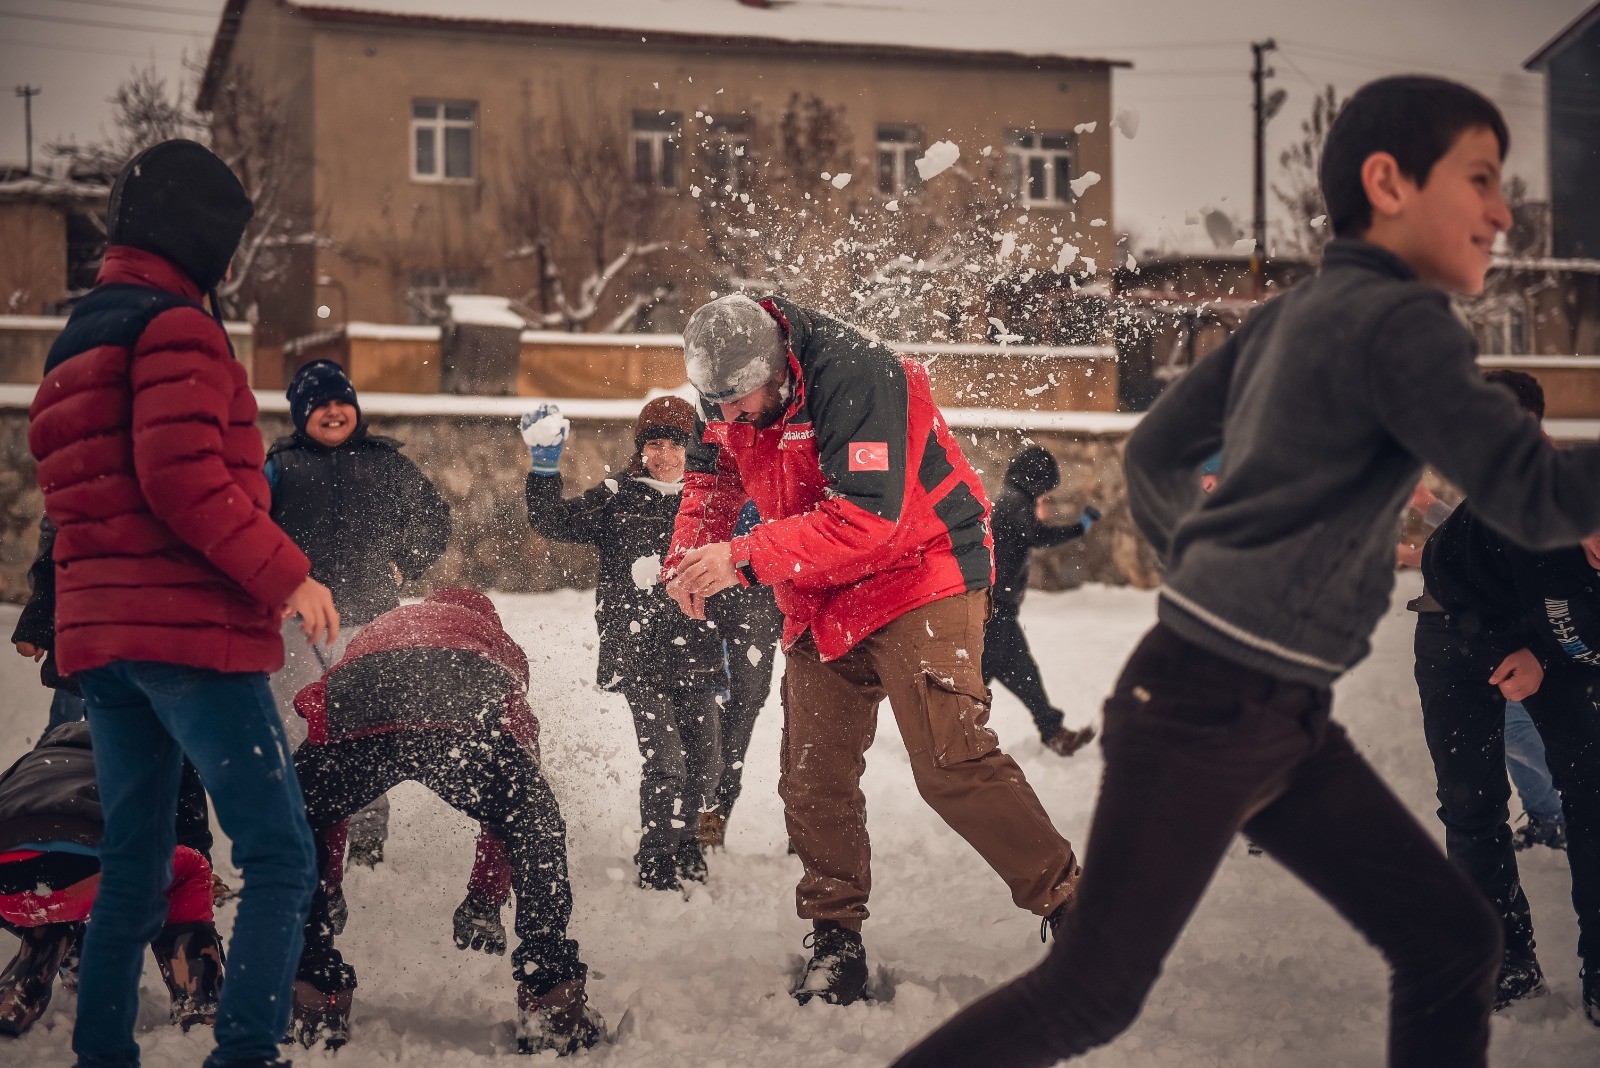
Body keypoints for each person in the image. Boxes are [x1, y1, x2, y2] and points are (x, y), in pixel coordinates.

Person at [892, 76, 1600, 1068]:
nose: (1502, 211)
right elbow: (1530, 491)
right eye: (1480, 178)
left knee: (1449, 942)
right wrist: (1230, 596)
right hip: (1217, 707)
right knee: (1091, 993)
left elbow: (1154, 454)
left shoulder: (1293, 313)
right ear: (1388, 183)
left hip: (1260, 709)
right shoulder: (1405, 322)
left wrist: (1217, 577)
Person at [664, 292, 1082, 1007]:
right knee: (812, 774)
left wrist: (741, 557)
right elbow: (711, 480)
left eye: (738, 400)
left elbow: (866, 517)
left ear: (779, 368)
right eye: (716, 403)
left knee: (950, 759)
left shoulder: (856, 372)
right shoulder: (726, 392)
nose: (725, 416)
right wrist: (689, 557)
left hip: (921, 570)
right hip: (821, 586)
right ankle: (835, 939)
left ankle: (1075, 908)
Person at [27, 138, 335, 1068]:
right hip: (190, 638)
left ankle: (103, 1055)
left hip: (106, 647)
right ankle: (245, 1053)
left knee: (133, 865)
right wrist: (288, 574)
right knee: (280, 855)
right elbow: (183, 482)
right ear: (200, 238)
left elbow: (81, 496)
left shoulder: (76, 340)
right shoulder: (176, 330)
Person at [287, 588, 602, 1055]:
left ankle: (311, 990)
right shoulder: (494, 644)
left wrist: (326, 886)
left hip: (363, 707)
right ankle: (551, 995)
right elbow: (514, 809)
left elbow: (325, 810)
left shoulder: (380, 630)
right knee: (536, 822)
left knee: (299, 817)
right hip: (461, 715)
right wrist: (485, 898)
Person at [1415, 371, 1600, 1019]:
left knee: (1592, 788)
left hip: (1552, 637)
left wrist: (1544, 656)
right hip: (1456, 627)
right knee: (1472, 804)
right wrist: (1510, 652)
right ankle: (1504, 968)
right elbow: (1444, 571)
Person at [523, 396, 726, 892]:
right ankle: (657, 861)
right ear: (641, 450)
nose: (665, 456)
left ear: (693, 448)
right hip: (639, 654)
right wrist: (544, 468)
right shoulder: (618, 497)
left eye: (676, 445)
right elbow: (551, 521)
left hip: (699, 651)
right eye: (654, 445)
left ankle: (688, 845)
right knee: (667, 763)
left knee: (707, 764)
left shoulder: (710, 500)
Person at [266, 358, 452, 867]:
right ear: (300, 413)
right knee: (297, 728)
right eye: (320, 405)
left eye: (341, 402)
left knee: (364, 728)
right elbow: (251, 530)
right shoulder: (279, 466)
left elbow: (434, 518)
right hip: (296, 626)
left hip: (369, 620)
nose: (333, 412)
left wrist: (405, 562)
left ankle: (367, 837)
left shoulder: (384, 462)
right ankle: (300, 835)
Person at [0, 723, 223, 1038]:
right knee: (189, 867)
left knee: (49, 885)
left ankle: (22, 988)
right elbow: (183, 832)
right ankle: (199, 1001)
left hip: (8, 885)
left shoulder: (32, 763)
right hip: (84, 870)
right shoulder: (144, 756)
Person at [1402, 463, 1568, 854]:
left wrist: (1409, 550)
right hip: (1489, 630)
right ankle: (1548, 816)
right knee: (1510, 735)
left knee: (1519, 733)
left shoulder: (1537, 500)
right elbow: (1466, 532)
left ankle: (1571, 800)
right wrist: (1425, 503)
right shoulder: (1495, 500)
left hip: (1515, 630)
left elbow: (1466, 547)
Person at [986, 445, 1101, 755]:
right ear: (1035, 478)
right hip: (996, 609)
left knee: (1021, 673)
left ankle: (1052, 731)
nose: (1044, 498)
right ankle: (946, 738)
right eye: (1045, 490)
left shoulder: (1012, 498)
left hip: (999, 608)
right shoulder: (1014, 501)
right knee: (981, 680)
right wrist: (1078, 528)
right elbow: (1037, 535)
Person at [698, 500, 786, 850]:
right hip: (712, 566)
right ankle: (698, 817)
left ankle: (713, 816)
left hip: (770, 572)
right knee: (701, 700)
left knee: (746, 702)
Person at [10, 517, 87, 733]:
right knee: (66, 724)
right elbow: (51, 571)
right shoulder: (79, 514)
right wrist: (36, 626)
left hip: (148, 649)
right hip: (85, 641)